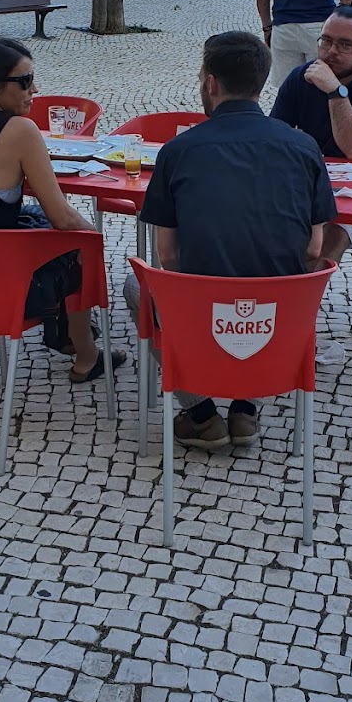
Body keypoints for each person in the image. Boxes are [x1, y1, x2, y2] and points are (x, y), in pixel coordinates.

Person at [126, 30, 336, 450]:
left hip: (201, 313)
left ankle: (201, 414)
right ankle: (245, 406)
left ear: (210, 83)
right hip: (275, 313)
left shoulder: (177, 151)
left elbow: (166, 255)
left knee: (135, 286)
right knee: (270, 282)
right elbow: (314, 249)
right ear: (260, 83)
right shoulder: (304, 147)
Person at [0, 36, 127, 384]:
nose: (35, 89)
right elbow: (62, 217)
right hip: (1, 288)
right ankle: (86, 356)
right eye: (25, 81)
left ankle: (65, 332)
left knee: (38, 220)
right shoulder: (19, 130)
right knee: (81, 244)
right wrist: (96, 237)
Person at [271, 0, 352, 265]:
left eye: (345, 45)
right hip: (311, 181)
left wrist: (335, 91)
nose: (331, 51)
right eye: (326, 41)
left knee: (331, 238)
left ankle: (306, 289)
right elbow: (273, 140)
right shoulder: (300, 79)